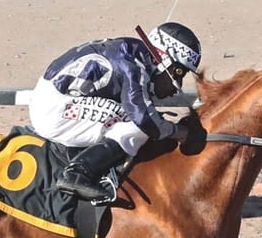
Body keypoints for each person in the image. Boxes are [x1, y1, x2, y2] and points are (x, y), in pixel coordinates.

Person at [28, 22, 202, 201]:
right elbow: (145, 121)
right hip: (53, 110)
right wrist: (179, 132)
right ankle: (77, 173)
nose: (177, 86)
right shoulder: (133, 68)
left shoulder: (133, 52)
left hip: (55, 99)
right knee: (138, 127)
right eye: (178, 72)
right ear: (163, 58)